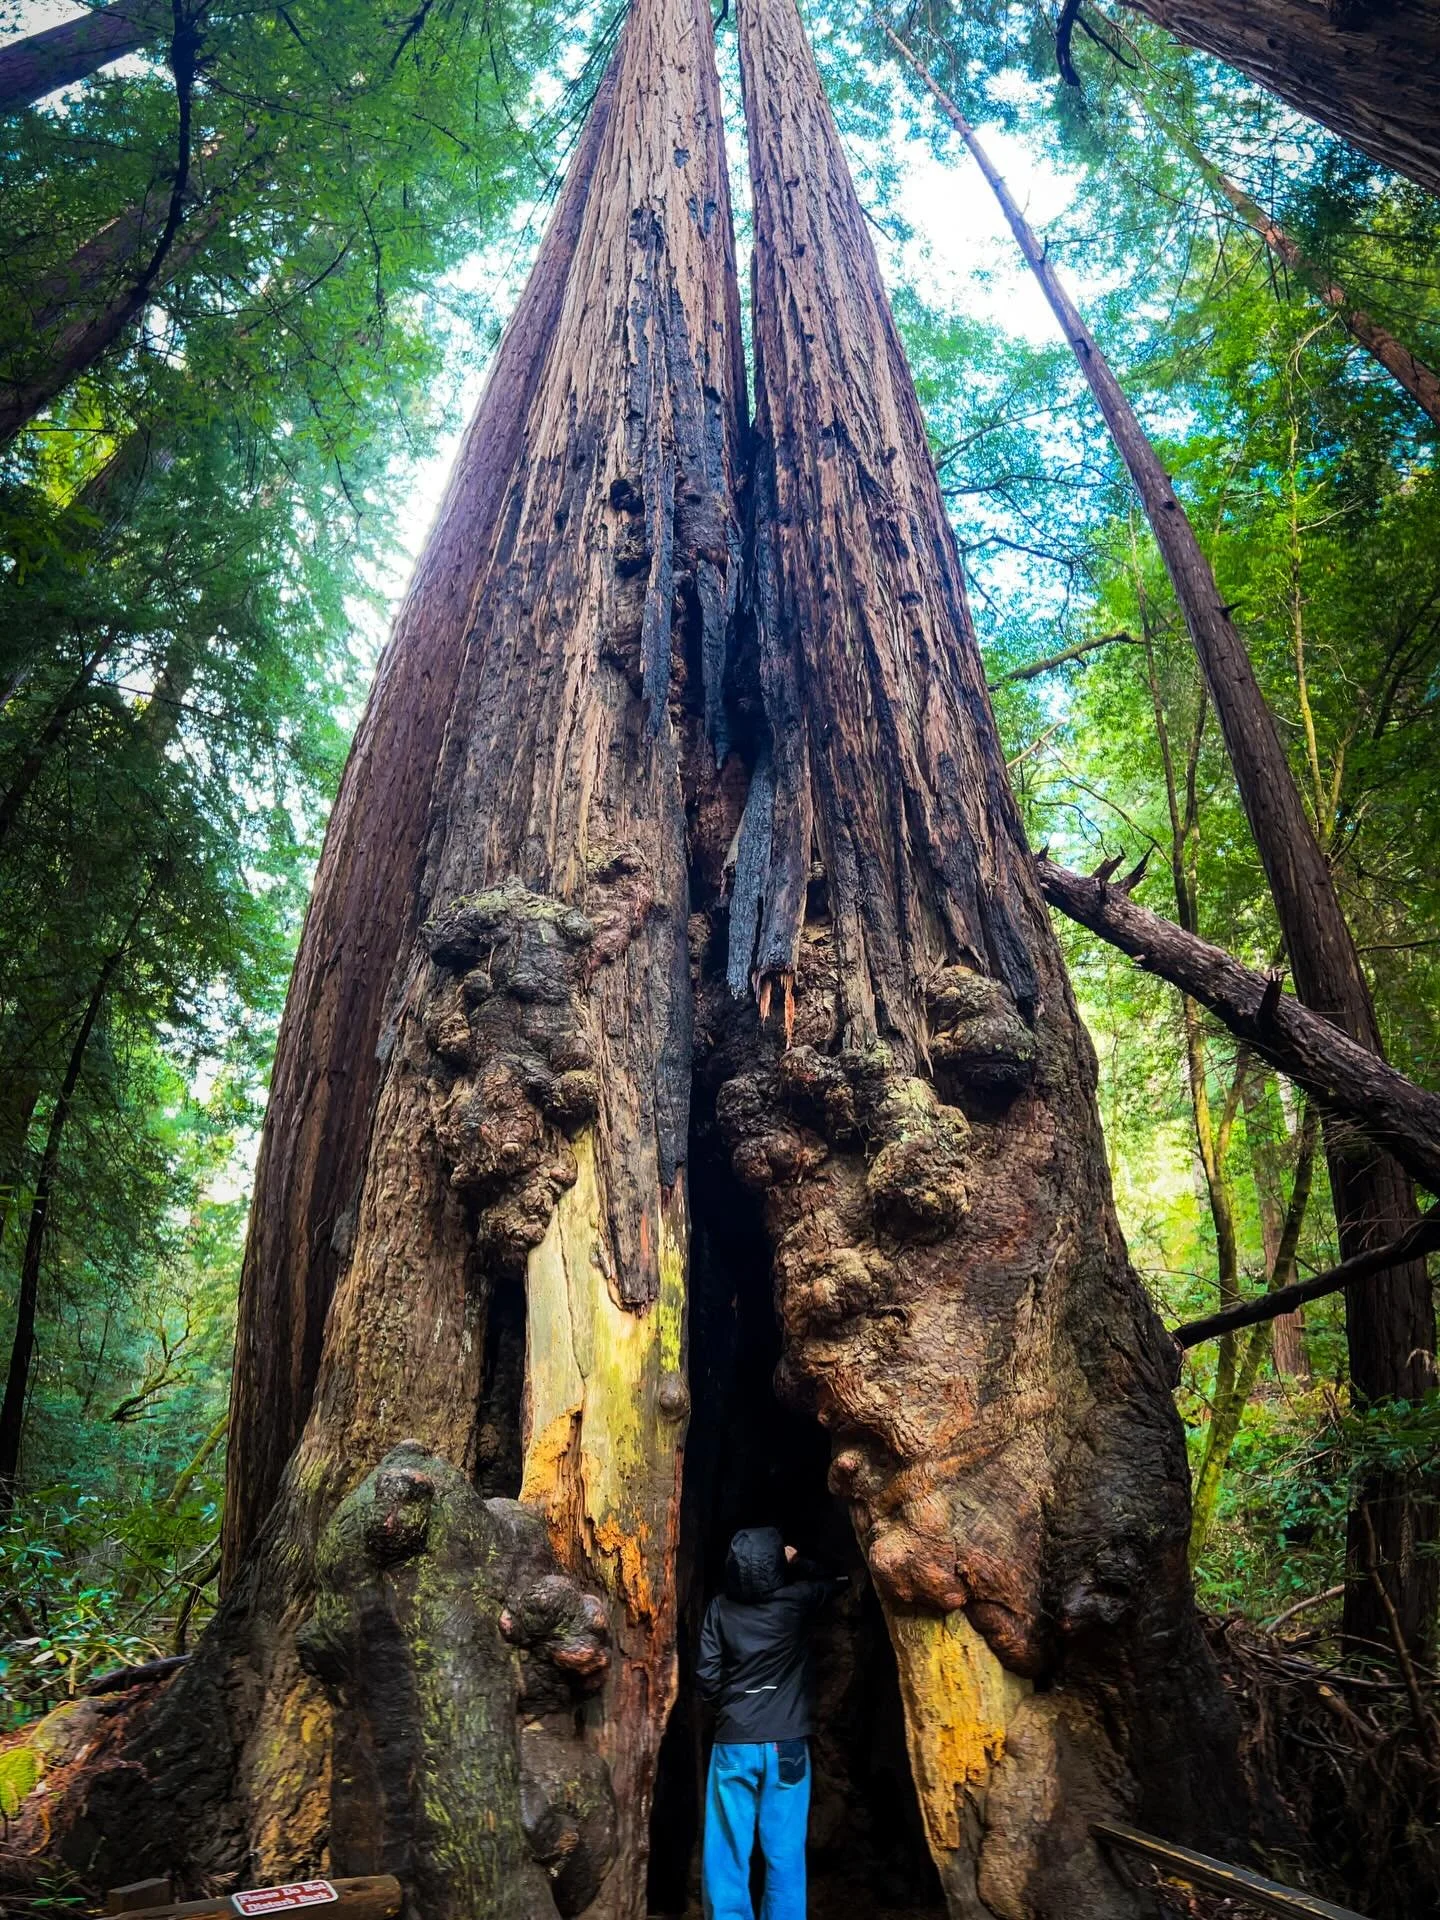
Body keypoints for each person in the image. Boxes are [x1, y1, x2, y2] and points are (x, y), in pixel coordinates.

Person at [696, 1526, 845, 1920]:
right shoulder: (796, 1602)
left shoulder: (720, 1609)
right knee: (784, 1855)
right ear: (778, 1565)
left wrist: (733, 1710)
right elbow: (838, 1580)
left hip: (733, 1743)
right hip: (788, 1746)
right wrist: (799, 1562)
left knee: (727, 1852)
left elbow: (707, 1678)